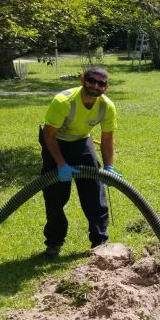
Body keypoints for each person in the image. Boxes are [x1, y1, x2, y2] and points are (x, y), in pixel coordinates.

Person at [39, 65, 119, 257]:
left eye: (101, 83)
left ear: (106, 87)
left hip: (82, 142)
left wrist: (108, 166)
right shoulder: (63, 101)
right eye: (91, 80)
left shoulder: (106, 106)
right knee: (55, 198)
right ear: (82, 79)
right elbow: (49, 136)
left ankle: (99, 241)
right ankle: (54, 243)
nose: (96, 86)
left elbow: (107, 138)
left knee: (93, 192)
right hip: (55, 143)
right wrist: (60, 164)